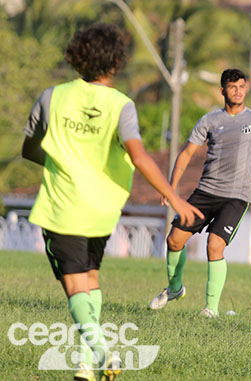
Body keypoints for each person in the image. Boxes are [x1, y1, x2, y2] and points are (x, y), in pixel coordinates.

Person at [22, 22, 203, 381]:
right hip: (102, 211)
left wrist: (61, 161)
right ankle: (85, 365)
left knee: (75, 286)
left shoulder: (51, 97)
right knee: (91, 278)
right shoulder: (122, 105)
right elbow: (139, 156)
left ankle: (103, 353)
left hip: (63, 208)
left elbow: (28, 149)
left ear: (76, 56)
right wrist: (174, 198)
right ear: (115, 63)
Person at [148, 68, 251, 317]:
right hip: (205, 192)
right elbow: (187, 153)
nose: (238, 91)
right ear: (223, 91)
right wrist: (171, 186)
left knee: (214, 244)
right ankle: (175, 288)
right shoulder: (210, 120)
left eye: (242, 86)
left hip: (236, 197)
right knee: (174, 241)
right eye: (233, 87)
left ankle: (211, 309)